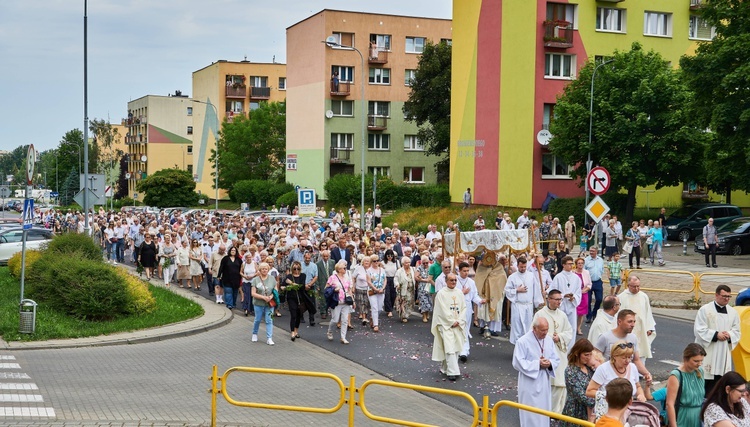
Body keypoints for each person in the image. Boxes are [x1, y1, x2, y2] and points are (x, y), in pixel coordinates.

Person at [512, 317, 560, 427]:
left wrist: (550, 363)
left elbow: (555, 359)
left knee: (543, 410)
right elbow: (517, 362)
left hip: (543, 381)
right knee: (530, 413)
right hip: (529, 382)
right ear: (534, 328)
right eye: (542, 330)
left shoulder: (548, 340)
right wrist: (537, 364)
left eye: (547, 329)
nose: (545, 333)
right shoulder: (522, 342)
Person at [695, 284, 741, 394]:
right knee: (706, 380)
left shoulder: (733, 312)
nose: (727, 299)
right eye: (724, 296)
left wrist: (729, 334)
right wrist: (716, 335)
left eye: (729, 297)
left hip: (723, 350)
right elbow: (699, 329)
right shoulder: (705, 310)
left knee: (720, 381)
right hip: (709, 350)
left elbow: (737, 331)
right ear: (716, 295)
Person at [534, 289, 574, 414]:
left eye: (560, 299)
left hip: (560, 353)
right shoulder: (540, 315)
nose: (559, 302)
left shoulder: (562, 315)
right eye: (556, 299)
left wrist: (560, 337)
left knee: (560, 382)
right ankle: (546, 411)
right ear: (549, 299)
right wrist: (551, 337)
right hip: (546, 352)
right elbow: (533, 332)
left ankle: (558, 412)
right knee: (550, 384)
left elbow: (569, 331)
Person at [586, 341, 647, 419]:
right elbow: (589, 391)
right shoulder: (603, 369)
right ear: (614, 356)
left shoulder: (633, 367)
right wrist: (611, 396)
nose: (627, 360)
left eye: (630, 357)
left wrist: (641, 395)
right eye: (624, 357)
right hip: (608, 414)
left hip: (629, 414)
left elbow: (638, 386)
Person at [594, 309, 652, 383]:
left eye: (634, 322)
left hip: (626, 379)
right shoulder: (605, 337)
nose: (633, 325)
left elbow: (636, 360)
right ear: (619, 321)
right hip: (609, 380)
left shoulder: (633, 338)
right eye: (629, 321)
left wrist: (646, 373)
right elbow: (596, 358)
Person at [431, 273, 467, 382]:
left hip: (457, 324)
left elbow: (463, 308)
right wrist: (451, 321)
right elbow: (441, 310)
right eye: (451, 280)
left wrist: (459, 320)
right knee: (449, 346)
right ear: (446, 281)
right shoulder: (441, 294)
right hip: (446, 324)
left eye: (455, 280)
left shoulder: (459, 292)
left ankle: (445, 368)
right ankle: (453, 372)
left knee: (455, 346)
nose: (454, 282)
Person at [505, 256, 544, 345]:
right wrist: (517, 290)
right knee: (517, 327)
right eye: (521, 267)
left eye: (524, 267)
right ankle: (517, 348)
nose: (523, 268)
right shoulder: (512, 277)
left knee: (528, 327)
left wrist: (538, 302)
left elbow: (536, 289)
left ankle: (527, 348)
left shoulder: (531, 275)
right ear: (517, 266)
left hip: (528, 305)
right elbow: (507, 290)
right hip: (517, 305)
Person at [665, 343, 706, 427]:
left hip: (698, 418)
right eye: (696, 361)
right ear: (686, 359)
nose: (699, 364)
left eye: (701, 361)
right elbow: (670, 404)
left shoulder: (700, 371)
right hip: (682, 418)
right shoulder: (676, 375)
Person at [618, 275, 656, 361]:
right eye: (634, 286)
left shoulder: (643, 296)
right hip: (627, 331)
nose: (636, 288)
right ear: (628, 286)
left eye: (638, 286)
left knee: (641, 354)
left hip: (641, 330)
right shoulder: (621, 297)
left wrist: (649, 328)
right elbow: (619, 316)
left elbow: (648, 312)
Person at [559, 339, 596, 427]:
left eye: (590, 355)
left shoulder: (590, 368)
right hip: (575, 411)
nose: (589, 357)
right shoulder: (570, 371)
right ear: (577, 353)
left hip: (590, 411)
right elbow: (580, 394)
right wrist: (599, 401)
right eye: (586, 355)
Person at [549, 255, 581, 349]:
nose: (571, 266)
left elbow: (578, 292)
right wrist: (563, 296)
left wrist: (573, 297)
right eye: (569, 264)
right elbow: (553, 291)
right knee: (560, 326)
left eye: (572, 264)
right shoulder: (558, 277)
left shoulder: (576, 278)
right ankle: (558, 346)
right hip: (561, 305)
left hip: (571, 305)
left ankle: (570, 348)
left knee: (571, 327)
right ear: (563, 265)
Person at [456, 261, 484, 362]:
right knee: (457, 329)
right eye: (464, 271)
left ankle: (464, 351)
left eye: (468, 271)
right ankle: (457, 349)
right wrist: (461, 293)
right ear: (459, 271)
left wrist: (480, 301)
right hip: (456, 308)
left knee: (465, 329)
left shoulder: (471, 282)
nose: (466, 273)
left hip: (467, 307)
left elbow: (474, 295)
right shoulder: (454, 280)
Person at [326, 260, 355, 344]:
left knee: (345, 320)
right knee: (335, 320)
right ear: (339, 269)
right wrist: (334, 289)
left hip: (346, 301)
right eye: (344, 268)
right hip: (336, 301)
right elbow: (327, 288)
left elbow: (349, 290)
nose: (345, 269)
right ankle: (330, 331)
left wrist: (353, 301)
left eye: (346, 268)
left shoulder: (346, 278)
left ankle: (343, 337)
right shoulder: (332, 277)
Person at [250, 262, 276, 346]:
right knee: (257, 319)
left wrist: (271, 297)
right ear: (260, 270)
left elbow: (275, 291)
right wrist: (263, 297)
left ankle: (269, 338)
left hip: (269, 304)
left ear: (268, 270)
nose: (264, 270)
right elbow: (253, 293)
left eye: (266, 269)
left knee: (269, 320)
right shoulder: (255, 280)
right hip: (258, 303)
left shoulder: (272, 279)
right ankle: (254, 333)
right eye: (263, 269)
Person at [282, 261, 308, 341]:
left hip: (300, 298)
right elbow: (282, 286)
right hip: (291, 298)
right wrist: (284, 287)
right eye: (294, 268)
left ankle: (296, 330)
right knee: (293, 314)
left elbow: (301, 286)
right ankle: (292, 331)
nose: (296, 270)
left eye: (298, 268)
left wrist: (292, 283)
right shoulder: (289, 276)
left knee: (298, 315)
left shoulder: (303, 276)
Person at [584, 246, 605, 323]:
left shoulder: (600, 260)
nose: (591, 252)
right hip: (588, 282)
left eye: (593, 251)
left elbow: (602, 270)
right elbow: (584, 271)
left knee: (599, 299)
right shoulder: (586, 260)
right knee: (588, 300)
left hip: (598, 281)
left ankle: (594, 313)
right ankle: (588, 316)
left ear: (596, 251)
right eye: (590, 251)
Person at [394, 256, 417, 324]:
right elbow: (395, 278)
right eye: (406, 263)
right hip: (403, 289)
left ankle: (407, 314)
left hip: (411, 290)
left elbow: (416, 277)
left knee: (410, 302)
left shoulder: (413, 269)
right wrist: (397, 284)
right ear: (403, 263)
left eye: (409, 262)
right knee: (403, 302)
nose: (408, 264)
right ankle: (403, 316)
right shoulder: (399, 271)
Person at [574, 257, 592, 336]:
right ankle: (573, 327)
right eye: (579, 263)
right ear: (576, 264)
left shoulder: (586, 272)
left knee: (581, 313)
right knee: (574, 312)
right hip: (575, 295)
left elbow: (589, 284)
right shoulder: (573, 273)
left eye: (582, 263)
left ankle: (578, 328)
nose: (580, 265)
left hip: (584, 294)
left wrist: (586, 289)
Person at [367, 255, 386, 332]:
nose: (376, 262)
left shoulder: (382, 270)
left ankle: (373, 318)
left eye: (377, 260)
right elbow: (368, 281)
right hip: (372, 291)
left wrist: (383, 288)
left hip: (381, 290)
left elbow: (385, 280)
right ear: (371, 262)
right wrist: (375, 289)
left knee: (380, 307)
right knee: (374, 307)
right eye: (374, 261)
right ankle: (376, 324)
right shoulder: (369, 270)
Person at [316, 249, 335, 319]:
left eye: (327, 256)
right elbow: (316, 275)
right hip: (322, 282)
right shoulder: (318, 264)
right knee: (322, 298)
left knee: (329, 297)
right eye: (324, 256)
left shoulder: (332, 262)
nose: (325, 258)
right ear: (322, 256)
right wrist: (317, 284)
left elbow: (333, 272)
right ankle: (323, 312)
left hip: (330, 282)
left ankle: (327, 309)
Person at [415, 255, 434, 323]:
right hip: (422, 286)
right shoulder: (419, 268)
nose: (425, 264)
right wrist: (423, 280)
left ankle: (427, 313)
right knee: (423, 301)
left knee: (429, 301)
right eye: (424, 263)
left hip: (429, 286)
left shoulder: (431, 267)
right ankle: (424, 316)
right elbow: (416, 277)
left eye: (426, 263)